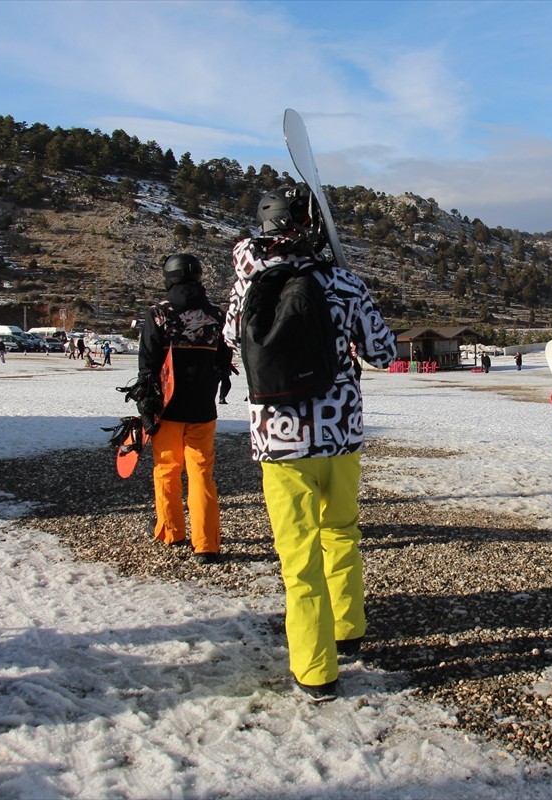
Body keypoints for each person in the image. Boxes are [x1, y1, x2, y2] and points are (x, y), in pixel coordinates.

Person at [224, 184, 397, 703]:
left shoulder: (249, 281)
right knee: (341, 531)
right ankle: (348, 627)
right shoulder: (344, 281)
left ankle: (316, 669)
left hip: (279, 439)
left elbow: (234, 338)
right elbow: (384, 353)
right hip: (341, 432)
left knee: (298, 555)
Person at [137, 253, 232, 566]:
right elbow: (223, 362)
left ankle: (172, 532)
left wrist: (146, 404)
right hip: (203, 407)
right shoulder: (216, 315)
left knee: (167, 470)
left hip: (167, 409)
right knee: (202, 474)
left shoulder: (158, 314)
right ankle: (206, 544)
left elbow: (148, 365)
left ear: (170, 277)